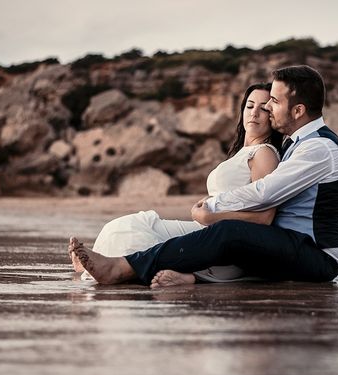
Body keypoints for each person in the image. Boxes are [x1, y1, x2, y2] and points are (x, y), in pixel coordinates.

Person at [69, 65, 338, 286]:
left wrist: (213, 206)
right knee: (225, 235)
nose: (267, 108)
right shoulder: (301, 144)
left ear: (298, 110)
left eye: (275, 102)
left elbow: (265, 192)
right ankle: (139, 267)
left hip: (317, 256)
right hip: (291, 245)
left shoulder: (319, 148)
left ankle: (122, 268)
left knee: (227, 232)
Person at [73, 82, 283, 284]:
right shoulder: (243, 152)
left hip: (220, 241)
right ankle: (96, 265)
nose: (254, 113)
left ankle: (120, 268)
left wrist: (211, 216)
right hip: (205, 230)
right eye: (249, 105)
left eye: (263, 109)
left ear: (273, 117)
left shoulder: (264, 153)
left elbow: (264, 218)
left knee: (131, 228)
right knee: (128, 226)